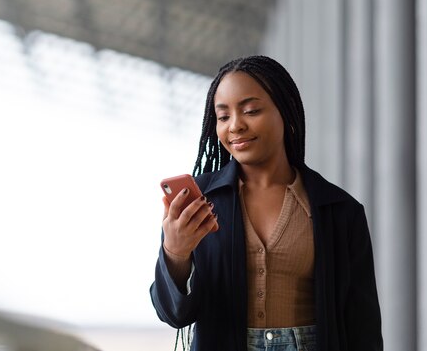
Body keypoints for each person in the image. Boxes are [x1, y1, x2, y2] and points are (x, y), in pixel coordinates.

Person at [150, 55, 383, 351]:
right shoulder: (197, 202)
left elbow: (363, 328)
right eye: (223, 116)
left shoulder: (339, 210)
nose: (235, 126)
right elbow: (172, 314)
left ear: (284, 112)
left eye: (250, 111)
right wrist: (175, 253)